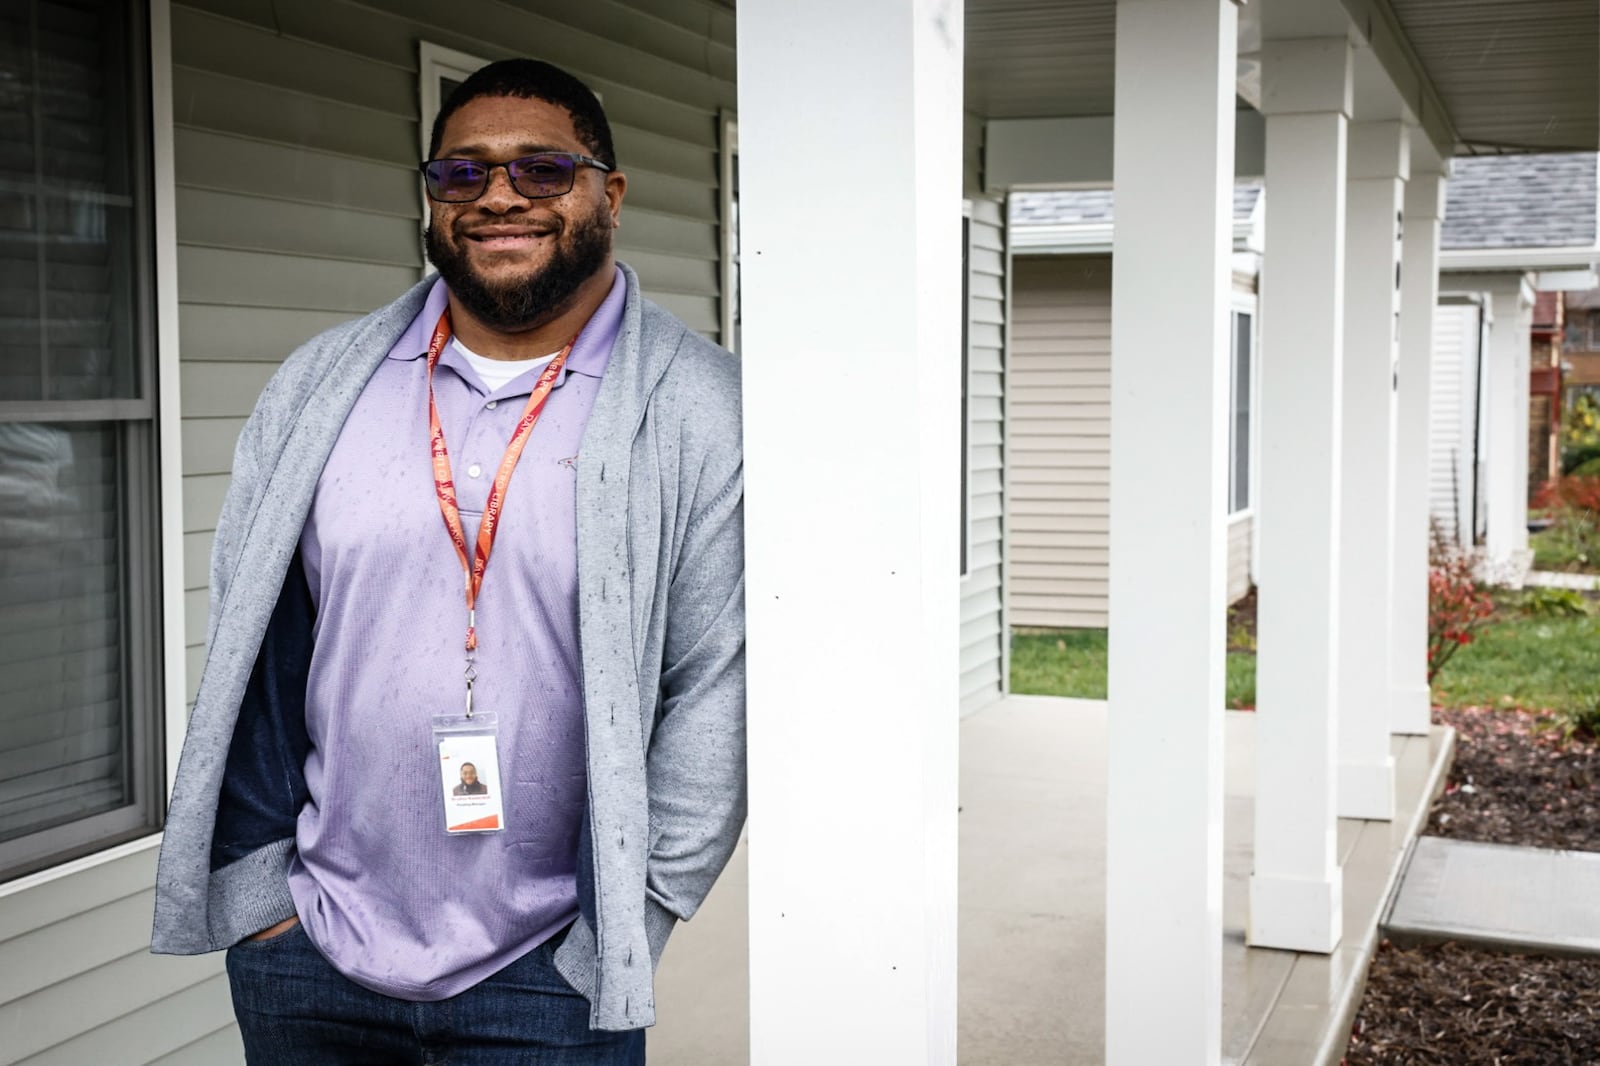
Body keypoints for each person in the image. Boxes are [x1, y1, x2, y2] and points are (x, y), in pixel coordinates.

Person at [151, 59, 746, 1064]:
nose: (498, 196)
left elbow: (719, 683)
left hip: (548, 974)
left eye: (543, 169)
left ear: (611, 191)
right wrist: (264, 904)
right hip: (310, 951)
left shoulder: (697, 408)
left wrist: (631, 921)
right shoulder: (319, 388)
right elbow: (254, 649)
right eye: (460, 174)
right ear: (431, 200)